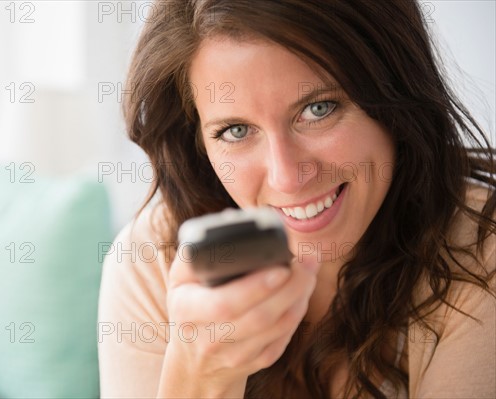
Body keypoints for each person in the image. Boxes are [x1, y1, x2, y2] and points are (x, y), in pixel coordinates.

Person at [97, 0, 496, 397]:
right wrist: (203, 378)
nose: (287, 178)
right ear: (198, 141)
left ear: (395, 98)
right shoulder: (151, 259)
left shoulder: (481, 252)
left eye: (318, 109)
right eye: (235, 131)